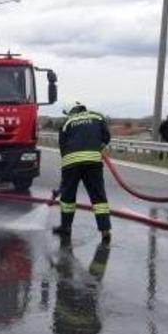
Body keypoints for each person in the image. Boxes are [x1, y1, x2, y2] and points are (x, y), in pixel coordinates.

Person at [52, 101, 111, 242]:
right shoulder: (97, 117)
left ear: (70, 111)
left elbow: (63, 149)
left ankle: (65, 228)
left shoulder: (67, 124)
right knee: (98, 197)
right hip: (93, 163)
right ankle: (105, 231)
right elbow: (106, 137)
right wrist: (96, 148)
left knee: (68, 198)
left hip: (71, 164)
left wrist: (63, 184)